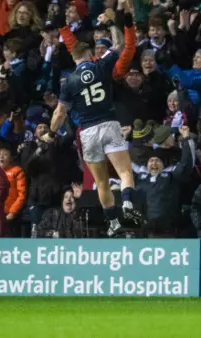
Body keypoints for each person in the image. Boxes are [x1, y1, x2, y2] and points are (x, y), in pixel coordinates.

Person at [50, 41, 143, 237]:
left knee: (101, 182)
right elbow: (120, 45)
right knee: (125, 172)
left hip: (88, 132)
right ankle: (127, 204)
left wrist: (51, 132)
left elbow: (60, 113)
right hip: (109, 124)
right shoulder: (101, 65)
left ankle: (113, 222)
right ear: (90, 53)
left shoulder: (69, 82)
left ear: (74, 58)